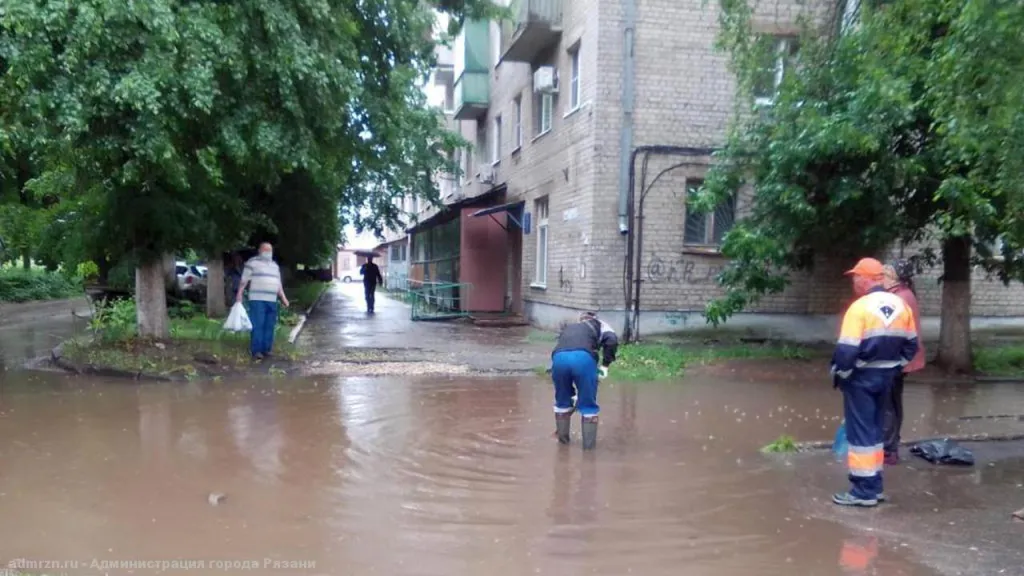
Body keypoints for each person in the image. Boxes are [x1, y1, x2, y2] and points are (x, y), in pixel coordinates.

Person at [831, 257, 918, 507]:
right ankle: (875, 486)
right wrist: (894, 367)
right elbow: (912, 345)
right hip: (887, 378)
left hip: (861, 378)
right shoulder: (901, 306)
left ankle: (863, 491)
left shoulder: (859, 308)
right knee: (876, 432)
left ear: (865, 279)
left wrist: (842, 374)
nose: (854, 281)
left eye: (855, 277)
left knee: (861, 434)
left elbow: (846, 352)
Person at [550, 311, 619, 450]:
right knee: (588, 406)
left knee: (562, 402)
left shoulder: (570, 327)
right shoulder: (601, 324)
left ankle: (562, 446)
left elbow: (562, 345)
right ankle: (589, 452)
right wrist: (605, 365)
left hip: (558, 358)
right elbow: (612, 340)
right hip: (583, 358)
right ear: (595, 318)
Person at [881, 260, 926, 465]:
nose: (881, 278)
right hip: (902, 358)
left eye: (885, 274)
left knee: (888, 404)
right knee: (894, 401)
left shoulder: (899, 298)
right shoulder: (904, 294)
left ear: (895, 277)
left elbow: (893, 329)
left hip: (897, 358)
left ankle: (889, 450)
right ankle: (891, 445)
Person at [236, 242, 290, 360]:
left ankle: (267, 349)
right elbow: (244, 280)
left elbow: (278, 284)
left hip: (271, 299)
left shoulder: (275, 266)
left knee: (269, 325)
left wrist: (283, 298)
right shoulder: (252, 263)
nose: (268, 253)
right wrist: (239, 293)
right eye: (265, 250)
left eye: (270, 251)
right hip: (257, 299)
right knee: (258, 324)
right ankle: (256, 350)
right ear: (260, 251)